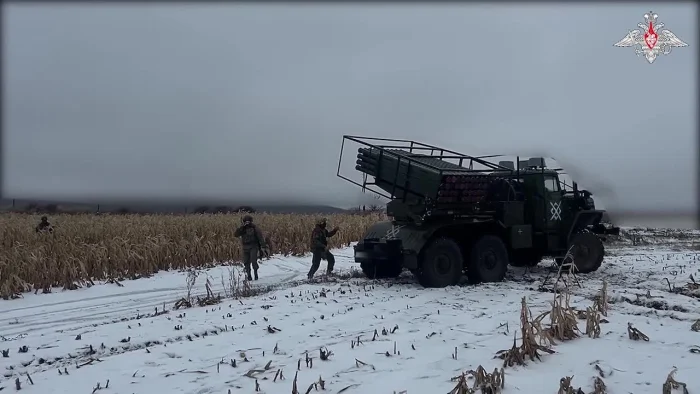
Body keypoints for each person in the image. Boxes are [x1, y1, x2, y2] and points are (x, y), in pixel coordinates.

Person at [234, 215, 269, 281]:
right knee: (246, 262)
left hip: (253, 246)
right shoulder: (243, 229)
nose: (247, 223)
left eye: (248, 221)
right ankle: (249, 276)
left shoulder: (255, 228)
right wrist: (241, 228)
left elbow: (260, 238)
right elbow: (236, 234)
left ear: (251, 221)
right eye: (246, 222)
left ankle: (256, 274)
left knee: (253, 261)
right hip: (245, 247)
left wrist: (263, 246)